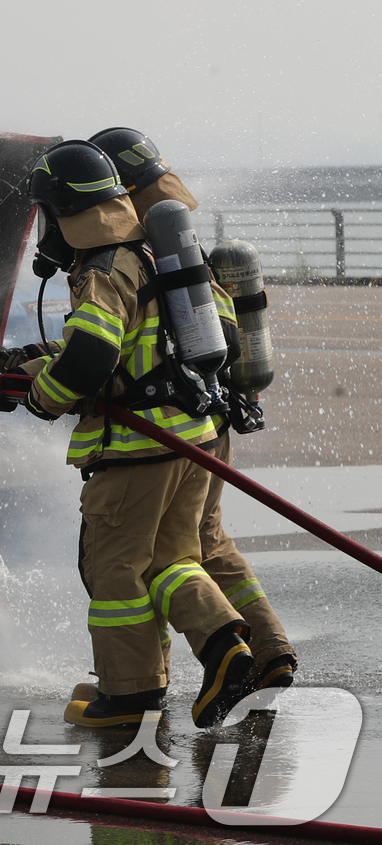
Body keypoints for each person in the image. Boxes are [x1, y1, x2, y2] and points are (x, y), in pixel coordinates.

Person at [0, 140, 254, 728]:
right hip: (189, 439)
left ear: (68, 214)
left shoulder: (101, 270)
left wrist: (38, 397)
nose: (44, 231)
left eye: (46, 216)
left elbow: (90, 360)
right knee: (171, 564)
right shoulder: (150, 253)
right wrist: (31, 363)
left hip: (137, 452)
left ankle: (130, 698)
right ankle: (226, 648)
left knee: (116, 573)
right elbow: (133, 349)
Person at [86, 127, 297, 692]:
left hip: (162, 427)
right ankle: (269, 649)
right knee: (207, 544)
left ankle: (200, 662)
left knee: (149, 559)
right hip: (210, 417)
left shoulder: (128, 252)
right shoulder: (180, 245)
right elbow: (221, 328)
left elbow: (106, 353)